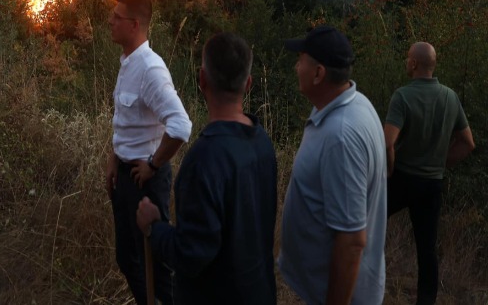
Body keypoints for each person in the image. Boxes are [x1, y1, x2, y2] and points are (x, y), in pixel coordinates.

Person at [136, 32, 278, 304]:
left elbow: (191, 254)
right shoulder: (262, 142)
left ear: (202, 80)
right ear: (248, 84)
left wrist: (154, 227)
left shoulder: (204, 159)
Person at [278, 25, 387, 305]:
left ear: (318, 73)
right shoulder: (352, 104)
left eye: (300, 59)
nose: (295, 67)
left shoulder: (341, 136)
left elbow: (352, 242)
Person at [105, 0, 192, 305]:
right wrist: (114, 160)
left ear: (135, 25)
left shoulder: (151, 70)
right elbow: (126, 119)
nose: (110, 21)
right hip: (127, 176)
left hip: (146, 181)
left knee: (155, 267)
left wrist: (154, 165)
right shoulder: (128, 62)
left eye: (117, 17)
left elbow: (181, 125)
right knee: (127, 260)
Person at [384, 42, 475, 305]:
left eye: (407, 58)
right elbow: (468, 143)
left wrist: (388, 171)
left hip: (401, 179)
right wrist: (440, 163)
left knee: (368, 225)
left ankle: (365, 287)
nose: (406, 61)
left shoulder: (403, 96)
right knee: (427, 249)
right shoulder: (450, 97)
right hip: (432, 184)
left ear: (414, 64)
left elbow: (388, 142)